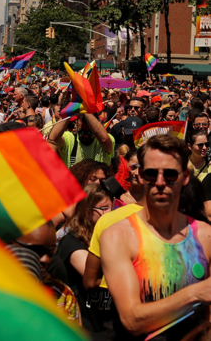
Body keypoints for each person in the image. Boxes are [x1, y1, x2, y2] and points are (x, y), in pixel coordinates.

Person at [101, 135, 211, 340]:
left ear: (185, 176)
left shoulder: (205, 235)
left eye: (170, 175)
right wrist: (195, 293)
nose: (160, 183)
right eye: (151, 174)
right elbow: (132, 320)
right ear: (141, 175)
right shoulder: (118, 236)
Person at [50, 183, 114, 334]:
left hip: (106, 323)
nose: (110, 213)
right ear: (86, 212)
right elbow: (91, 273)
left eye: (111, 207)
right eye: (103, 208)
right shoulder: (71, 241)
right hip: (86, 326)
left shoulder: (109, 236)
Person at [50, 113, 115, 167]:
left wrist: (85, 110)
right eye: (81, 132)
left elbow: (104, 140)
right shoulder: (70, 139)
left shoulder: (105, 140)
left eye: (90, 132)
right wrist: (68, 112)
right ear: (76, 125)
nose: (86, 136)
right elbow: (53, 139)